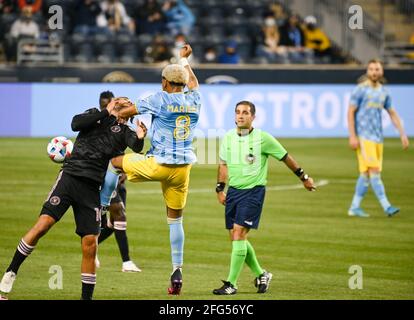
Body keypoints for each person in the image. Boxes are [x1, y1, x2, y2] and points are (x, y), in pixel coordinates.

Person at [0, 93, 147, 300]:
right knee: (43, 225)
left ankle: (86, 299)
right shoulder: (95, 115)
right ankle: (11, 271)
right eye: (123, 103)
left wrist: (140, 136)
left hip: (91, 188)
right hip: (70, 178)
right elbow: (75, 124)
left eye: (128, 105)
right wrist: (106, 111)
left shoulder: (125, 131)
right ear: (115, 105)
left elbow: (137, 147)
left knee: (90, 244)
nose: (126, 106)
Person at [99, 44, 200, 295]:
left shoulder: (158, 98)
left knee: (115, 163)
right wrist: (184, 61)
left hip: (159, 164)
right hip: (183, 169)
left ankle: (100, 208)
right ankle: (177, 270)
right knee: (175, 220)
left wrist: (114, 111)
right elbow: (194, 84)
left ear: (165, 82)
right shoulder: (195, 100)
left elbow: (125, 112)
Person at [212, 101, 316, 295]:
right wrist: (220, 188)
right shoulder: (228, 137)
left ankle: (231, 284)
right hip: (234, 192)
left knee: (239, 234)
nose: (240, 116)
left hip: (253, 192)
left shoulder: (263, 138)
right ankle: (262, 274)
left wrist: (304, 177)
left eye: (245, 113)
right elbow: (223, 164)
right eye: (237, 112)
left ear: (253, 117)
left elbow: (285, 157)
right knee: (236, 238)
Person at [347, 59, 409, 218]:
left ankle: (354, 207)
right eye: (372, 69)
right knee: (374, 171)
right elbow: (350, 112)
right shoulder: (360, 90)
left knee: (366, 174)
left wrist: (402, 133)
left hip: (377, 138)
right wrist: (353, 136)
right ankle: (386, 206)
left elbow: (392, 113)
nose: (375, 72)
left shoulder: (384, 92)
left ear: (381, 72)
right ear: (367, 71)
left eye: (377, 69)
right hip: (364, 137)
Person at [95, 91, 141, 273]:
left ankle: (92, 246)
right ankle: (126, 262)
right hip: (103, 178)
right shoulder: (100, 124)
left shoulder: (122, 127)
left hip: (119, 180)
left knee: (113, 224)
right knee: (119, 215)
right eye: (108, 105)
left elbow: (129, 147)